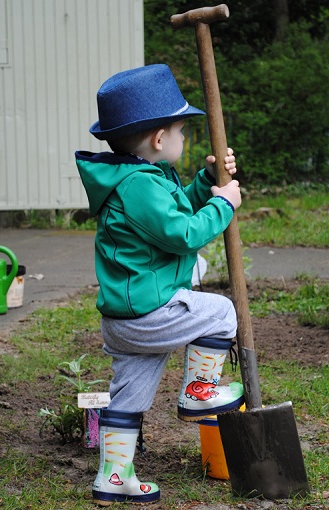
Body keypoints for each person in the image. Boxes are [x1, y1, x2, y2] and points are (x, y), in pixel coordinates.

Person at [75, 63, 244, 506]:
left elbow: (173, 213)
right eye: (181, 130)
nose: (184, 139)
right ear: (158, 139)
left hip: (124, 321)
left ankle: (114, 477)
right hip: (150, 312)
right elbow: (183, 233)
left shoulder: (139, 180)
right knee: (222, 312)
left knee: (127, 398)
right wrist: (224, 205)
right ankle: (199, 390)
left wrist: (208, 184)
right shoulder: (140, 186)